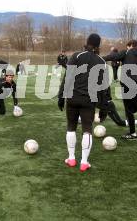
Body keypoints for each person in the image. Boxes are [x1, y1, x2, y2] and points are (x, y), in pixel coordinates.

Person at [58, 33, 108, 172]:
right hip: (89, 101)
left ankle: (72, 158)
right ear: (98, 45)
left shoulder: (76, 55)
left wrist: (61, 96)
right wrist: (104, 107)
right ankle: (84, 162)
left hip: (73, 98)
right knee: (87, 130)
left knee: (71, 127)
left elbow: (67, 78)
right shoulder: (101, 61)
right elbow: (104, 87)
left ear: (87, 42)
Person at [103, 40, 137, 140]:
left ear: (130, 46)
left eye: (127, 47)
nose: (127, 49)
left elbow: (113, 57)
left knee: (129, 110)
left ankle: (133, 133)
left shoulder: (126, 53)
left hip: (127, 85)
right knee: (132, 109)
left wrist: (100, 58)